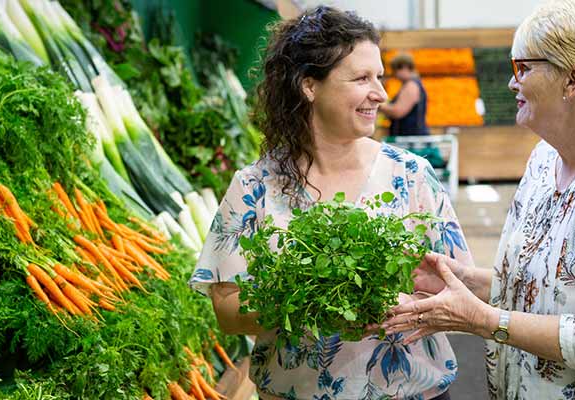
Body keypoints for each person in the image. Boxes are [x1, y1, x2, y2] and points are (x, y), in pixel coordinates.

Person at [381, 0, 575, 399]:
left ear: (572, 80)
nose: (513, 83)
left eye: (524, 68)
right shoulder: (546, 158)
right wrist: (465, 280)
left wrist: (484, 321)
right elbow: (546, 288)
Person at [189, 6, 473, 400]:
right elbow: (228, 312)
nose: (381, 93)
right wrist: (315, 307)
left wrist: (409, 305)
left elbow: (460, 287)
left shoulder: (410, 176)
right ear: (309, 86)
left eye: (380, 76)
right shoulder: (254, 187)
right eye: (361, 78)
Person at [379, 53, 430, 136]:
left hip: (411, 140)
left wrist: (380, 105)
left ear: (404, 67)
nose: (394, 74)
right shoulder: (411, 84)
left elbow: (398, 111)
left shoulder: (411, 86)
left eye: (395, 70)